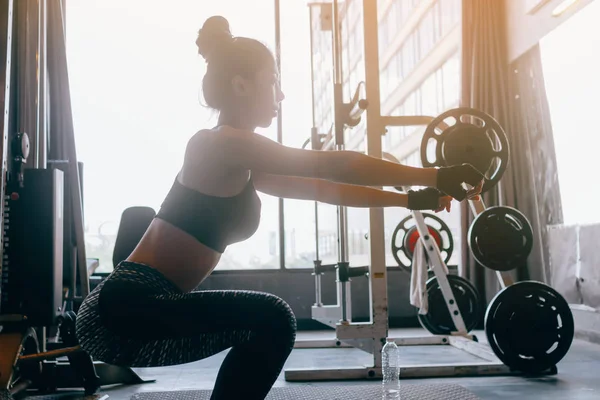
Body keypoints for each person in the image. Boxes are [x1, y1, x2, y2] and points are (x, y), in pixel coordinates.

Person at [75, 16, 484, 400]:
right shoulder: (218, 144)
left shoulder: (243, 159)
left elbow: (325, 188)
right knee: (272, 318)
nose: (281, 95)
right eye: (273, 82)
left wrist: (410, 199)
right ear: (240, 85)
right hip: (127, 309)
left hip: (138, 307)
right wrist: (435, 175)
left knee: (266, 320)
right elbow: (333, 163)